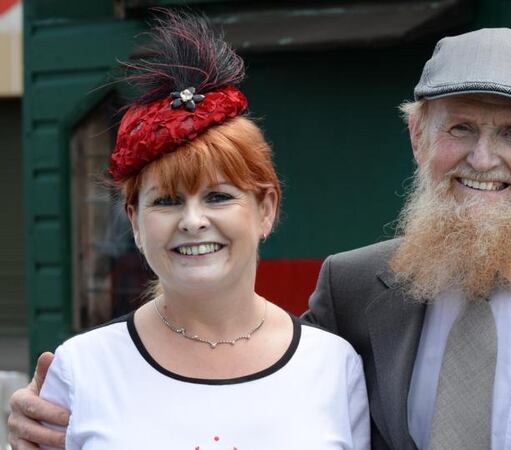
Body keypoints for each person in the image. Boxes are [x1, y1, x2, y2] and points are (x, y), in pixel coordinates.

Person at [9, 28, 511, 450]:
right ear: (418, 137)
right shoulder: (355, 290)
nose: (482, 159)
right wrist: (54, 423)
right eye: (459, 128)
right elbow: (258, 398)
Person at [8, 11, 369, 450]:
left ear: (266, 209)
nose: (193, 221)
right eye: (166, 201)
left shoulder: (333, 366)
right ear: (135, 221)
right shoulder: (82, 370)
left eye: (218, 196)